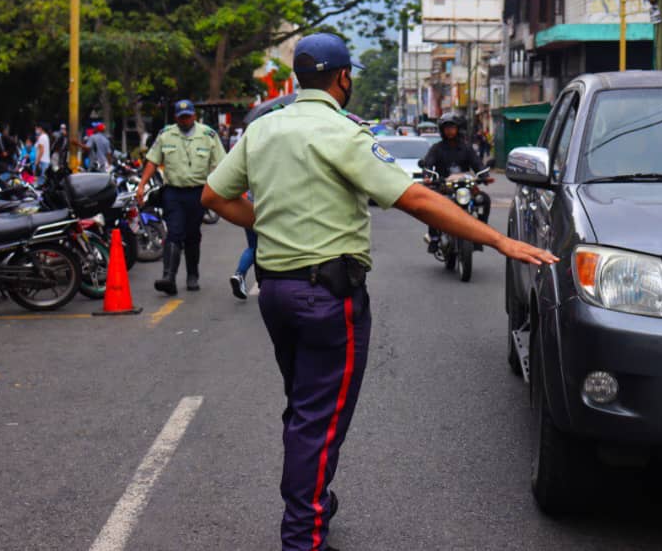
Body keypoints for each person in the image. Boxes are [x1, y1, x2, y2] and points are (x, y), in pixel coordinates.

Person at [201, 32, 555, 551]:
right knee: (318, 418)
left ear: (299, 77)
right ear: (343, 78)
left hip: (276, 293)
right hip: (327, 298)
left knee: (304, 406)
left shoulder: (263, 129)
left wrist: (271, 226)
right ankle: (302, 534)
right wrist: (500, 240)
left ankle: (313, 496)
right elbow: (414, 198)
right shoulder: (342, 132)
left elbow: (215, 195)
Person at [137, 100, 226, 294]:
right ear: (176, 117)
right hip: (173, 192)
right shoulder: (166, 135)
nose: (185, 120)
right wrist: (142, 184)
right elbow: (153, 161)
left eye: (188, 116)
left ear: (194, 116)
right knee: (174, 233)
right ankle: (168, 276)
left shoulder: (208, 135)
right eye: (181, 117)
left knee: (192, 235)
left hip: (198, 192)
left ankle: (192, 275)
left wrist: (220, 189)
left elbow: (220, 163)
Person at [421, 112, 492, 253]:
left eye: (452, 127)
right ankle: (434, 238)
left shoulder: (466, 148)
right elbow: (428, 164)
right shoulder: (436, 148)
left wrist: (485, 176)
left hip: (465, 185)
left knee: (484, 200)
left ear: (458, 129)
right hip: (444, 186)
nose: (449, 130)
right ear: (442, 130)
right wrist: (428, 176)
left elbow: (477, 164)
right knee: (432, 205)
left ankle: (481, 234)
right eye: (446, 127)